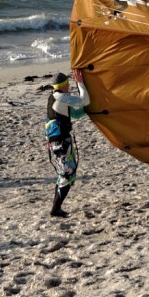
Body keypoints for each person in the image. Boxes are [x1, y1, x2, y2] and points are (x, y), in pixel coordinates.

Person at [45, 70, 89, 217]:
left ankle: (56, 208)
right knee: (67, 174)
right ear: (63, 85)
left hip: (56, 142)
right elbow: (85, 100)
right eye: (68, 84)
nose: (69, 86)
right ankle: (55, 209)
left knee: (64, 174)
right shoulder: (61, 97)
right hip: (62, 142)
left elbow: (76, 113)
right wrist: (80, 83)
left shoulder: (53, 97)